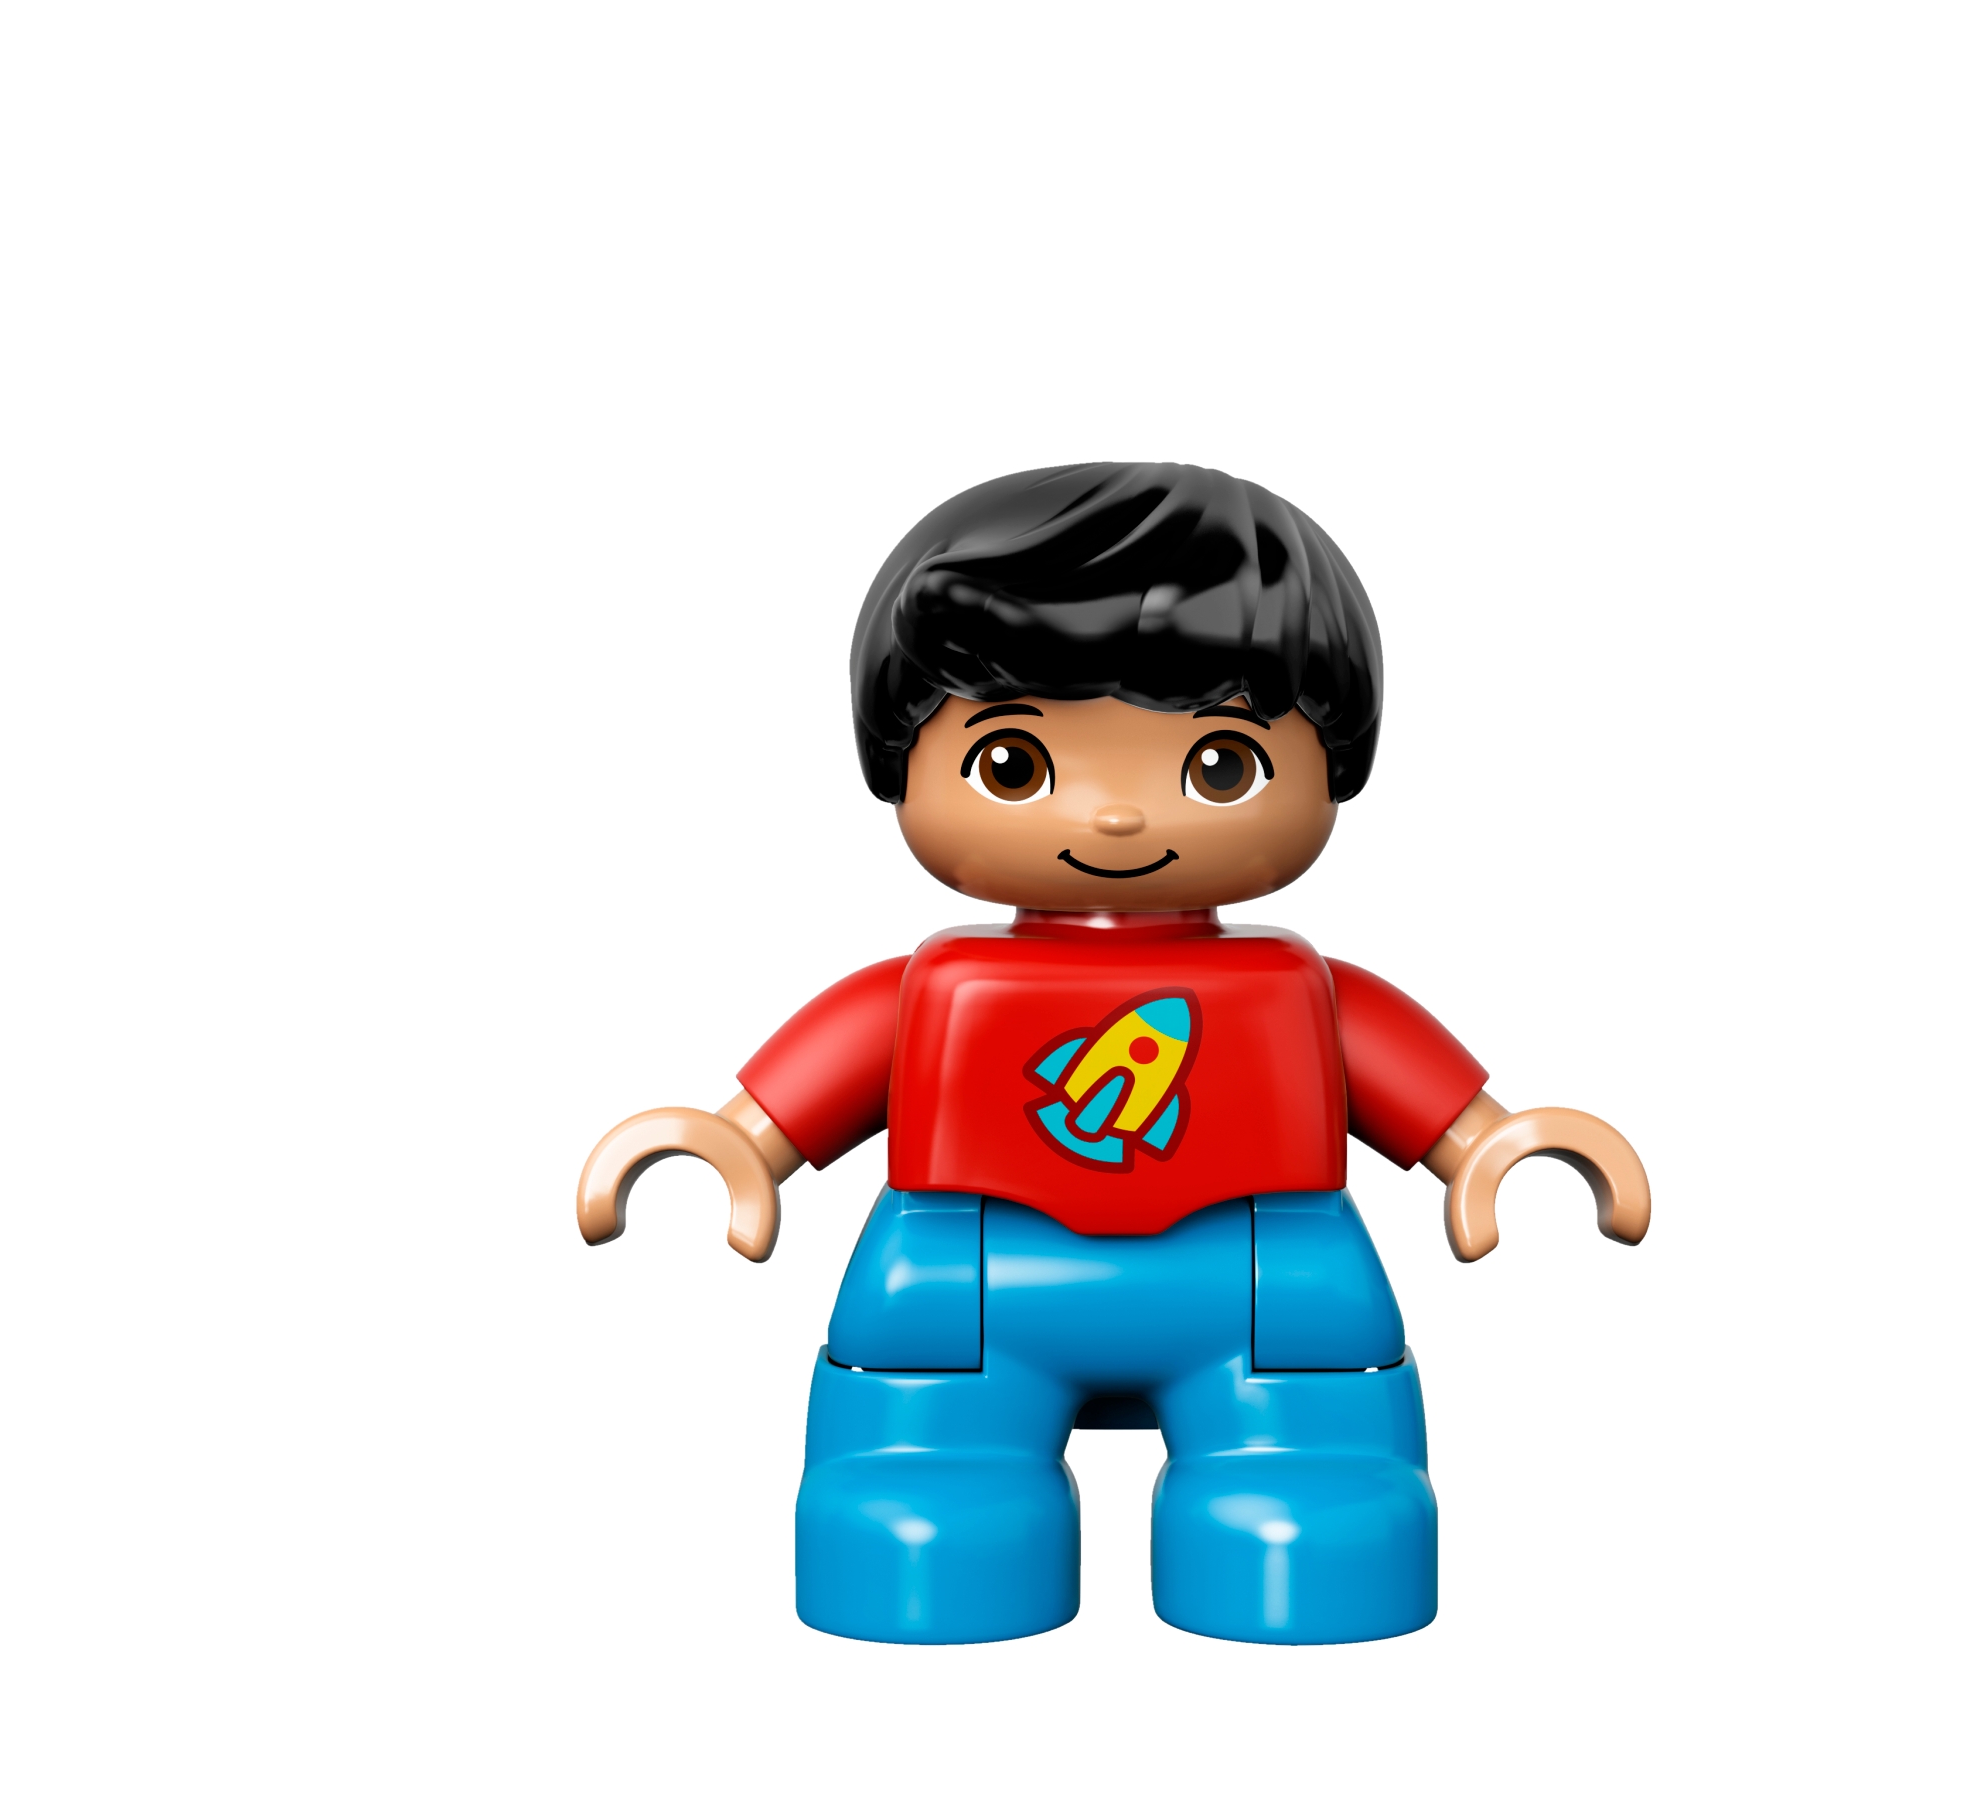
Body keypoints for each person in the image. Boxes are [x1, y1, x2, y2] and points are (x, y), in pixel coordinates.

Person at [576, 462, 1649, 1644]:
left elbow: (1410, 1083)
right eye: (1016, 765)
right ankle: (933, 1484)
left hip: (1267, 1299)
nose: (1116, 816)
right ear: (900, 768)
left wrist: (1489, 1146)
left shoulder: (1300, 990)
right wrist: (737, 1142)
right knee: (923, 1504)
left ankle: (1300, 1482)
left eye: (1219, 765)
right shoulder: (936, 988)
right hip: (965, 1297)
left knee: (1319, 1502)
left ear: (1332, 769)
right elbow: (822, 1075)